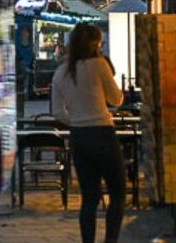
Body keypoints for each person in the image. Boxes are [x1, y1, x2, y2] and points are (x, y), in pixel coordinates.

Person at [52, 23, 126, 243]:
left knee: (90, 198)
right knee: (118, 192)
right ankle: (110, 240)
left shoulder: (61, 72)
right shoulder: (99, 65)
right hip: (103, 133)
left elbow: (57, 111)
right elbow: (116, 99)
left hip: (79, 137)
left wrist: (76, 119)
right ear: (95, 43)